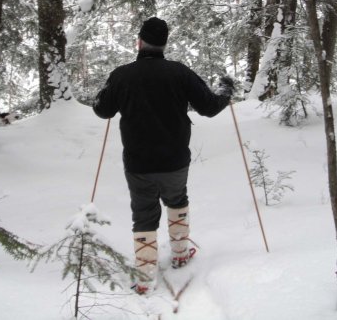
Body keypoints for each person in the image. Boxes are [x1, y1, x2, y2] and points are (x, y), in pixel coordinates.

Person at [92, 17, 233, 294]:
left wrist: (104, 92)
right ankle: (180, 254)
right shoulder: (179, 73)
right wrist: (226, 91)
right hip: (175, 159)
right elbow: (209, 107)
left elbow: (102, 109)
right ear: (164, 43)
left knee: (143, 214)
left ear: (140, 41)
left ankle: (145, 276)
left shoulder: (122, 75)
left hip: (138, 162)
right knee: (177, 199)